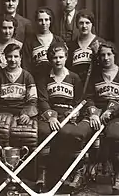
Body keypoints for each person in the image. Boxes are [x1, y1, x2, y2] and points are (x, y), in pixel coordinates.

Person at [36, 42, 92, 192]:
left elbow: (79, 101)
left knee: (71, 134)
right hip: (51, 114)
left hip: (68, 115)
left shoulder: (73, 77)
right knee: (44, 132)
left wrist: (75, 112)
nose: (58, 60)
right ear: (50, 59)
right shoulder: (44, 77)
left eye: (61, 57)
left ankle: (75, 172)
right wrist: (51, 117)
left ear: (66, 57)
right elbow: (42, 100)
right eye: (54, 57)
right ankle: (42, 172)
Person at [0, 43, 38, 188]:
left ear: (21, 58)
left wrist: (27, 113)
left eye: (15, 56)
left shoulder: (27, 76)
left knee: (28, 134)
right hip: (2, 110)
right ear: (5, 58)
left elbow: (33, 99)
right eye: (9, 57)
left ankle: (25, 175)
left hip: (21, 111)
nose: (12, 60)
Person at [86, 41, 119, 191]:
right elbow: (89, 96)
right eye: (102, 55)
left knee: (113, 134)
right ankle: (89, 171)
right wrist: (93, 113)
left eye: (109, 54)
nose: (106, 58)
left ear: (114, 55)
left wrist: (112, 111)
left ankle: (116, 173)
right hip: (98, 112)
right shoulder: (95, 75)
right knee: (87, 131)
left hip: (116, 114)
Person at [66, 9, 105, 87]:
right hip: (77, 85)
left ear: (92, 24)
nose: (84, 26)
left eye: (87, 23)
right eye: (81, 23)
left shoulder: (100, 42)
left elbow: (106, 67)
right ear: (77, 25)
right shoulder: (71, 45)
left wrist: (97, 54)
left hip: (94, 84)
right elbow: (68, 68)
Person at [22, 6, 63, 79]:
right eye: (40, 20)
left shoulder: (58, 40)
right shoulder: (30, 41)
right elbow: (26, 66)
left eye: (46, 20)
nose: (44, 23)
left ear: (50, 21)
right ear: (36, 21)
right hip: (36, 79)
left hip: (55, 79)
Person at [0, 14, 22, 81]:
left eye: (10, 28)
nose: (7, 31)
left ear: (14, 28)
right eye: (4, 28)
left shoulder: (20, 46)